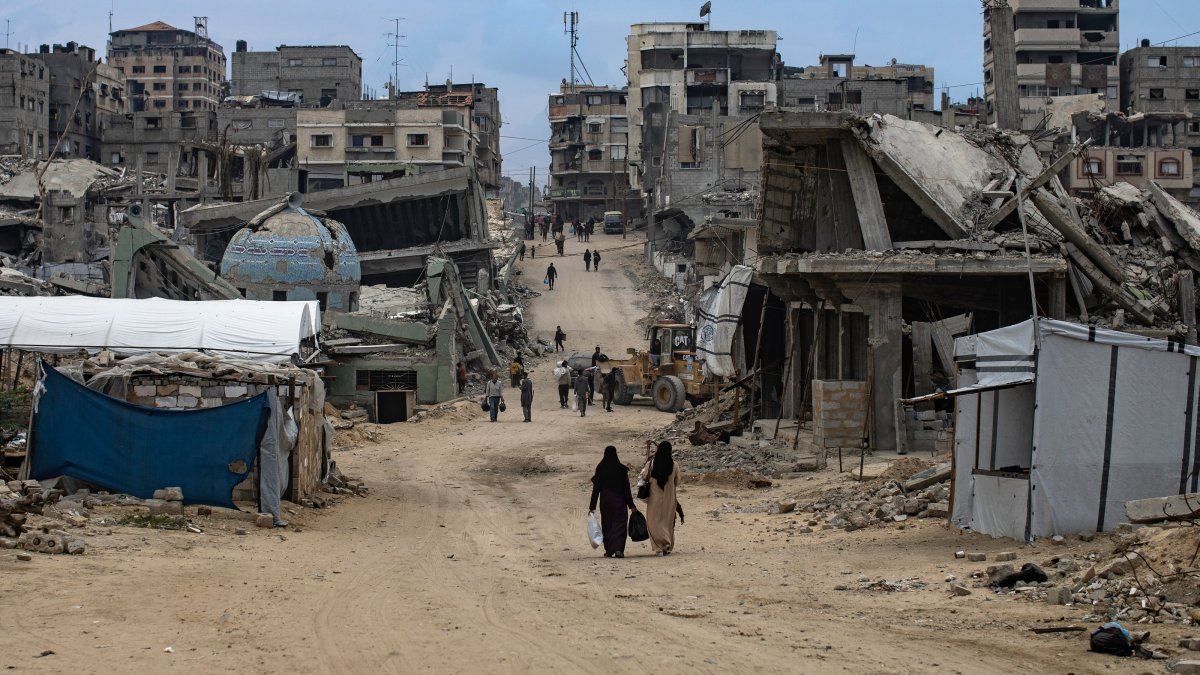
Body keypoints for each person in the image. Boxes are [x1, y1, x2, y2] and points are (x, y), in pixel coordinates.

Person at [589, 446, 637, 558]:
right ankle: (619, 549)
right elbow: (627, 490)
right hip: (620, 502)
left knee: (608, 525)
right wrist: (631, 505)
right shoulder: (622, 470)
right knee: (620, 525)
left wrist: (592, 507)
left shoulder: (600, 469)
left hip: (606, 502)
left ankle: (609, 550)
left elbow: (596, 489)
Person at [642, 441, 683, 555]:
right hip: (669, 498)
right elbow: (678, 482)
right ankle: (667, 546)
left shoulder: (651, 464)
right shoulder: (674, 465)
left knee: (653, 522)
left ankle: (658, 547)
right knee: (667, 522)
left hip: (654, 498)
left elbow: (645, 477)